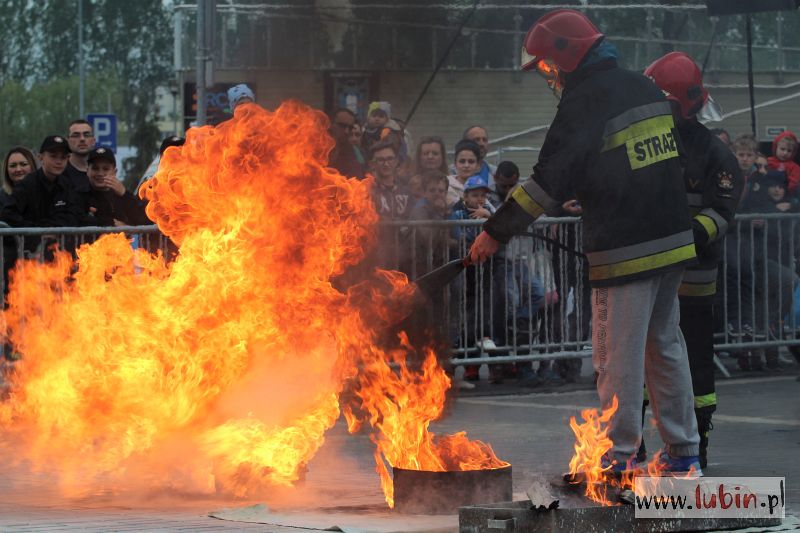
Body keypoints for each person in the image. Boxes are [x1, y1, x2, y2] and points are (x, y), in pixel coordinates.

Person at [469, 9, 701, 475]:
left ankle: (619, 456)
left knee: (618, 354)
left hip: (626, 248)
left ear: (567, 55)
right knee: (665, 346)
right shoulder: (642, 86)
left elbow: (546, 181)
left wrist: (495, 232)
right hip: (672, 240)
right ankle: (684, 455)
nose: (548, 77)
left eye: (547, 67)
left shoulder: (585, 100)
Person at [644, 51, 743, 469]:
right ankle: (641, 447)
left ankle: (695, 446)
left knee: (696, 365)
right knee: (648, 362)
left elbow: (722, 211)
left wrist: (684, 240)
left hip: (693, 282)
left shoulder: (714, 154)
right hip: (651, 279)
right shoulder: (650, 141)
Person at [450, 175, 497, 381]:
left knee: (484, 308)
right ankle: (469, 365)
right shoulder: (457, 211)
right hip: (465, 269)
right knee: (467, 314)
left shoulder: (489, 209)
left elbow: (500, 225)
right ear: (465, 195)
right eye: (475, 195)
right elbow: (459, 235)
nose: (479, 199)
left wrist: (488, 216)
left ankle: (483, 356)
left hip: (486, 268)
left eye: (482, 195)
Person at [369, 141, 412, 271]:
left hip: (406, 254)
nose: (386, 164)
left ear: (396, 161)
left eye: (389, 159)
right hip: (377, 254)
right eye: (380, 160)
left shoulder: (406, 190)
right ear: (373, 163)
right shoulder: (367, 189)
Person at [83, 147, 150, 227]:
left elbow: (143, 219)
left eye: (106, 169)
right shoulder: (79, 195)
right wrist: (113, 225)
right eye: (95, 168)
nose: (100, 173)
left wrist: (124, 194)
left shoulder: (122, 195)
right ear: (87, 171)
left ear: (114, 172)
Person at [329, 108, 365, 180]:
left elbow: (357, 178)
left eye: (350, 127)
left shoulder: (353, 152)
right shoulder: (316, 148)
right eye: (342, 126)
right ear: (331, 124)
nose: (346, 131)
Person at [408, 137, 448, 202]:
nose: (430, 157)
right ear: (419, 157)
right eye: (425, 153)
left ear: (442, 157)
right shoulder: (408, 183)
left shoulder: (452, 183)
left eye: (435, 153)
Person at [447, 140, 481, 208]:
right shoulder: (445, 186)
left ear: (478, 165)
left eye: (471, 161)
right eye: (462, 161)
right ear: (455, 164)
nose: (466, 165)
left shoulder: (482, 188)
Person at [767, 131, 800, 195]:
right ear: (775, 148)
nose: (785, 153)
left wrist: (785, 191)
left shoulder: (795, 167)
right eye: (782, 149)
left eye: (789, 151)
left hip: (787, 194)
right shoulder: (768, 161)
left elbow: (794, 183)